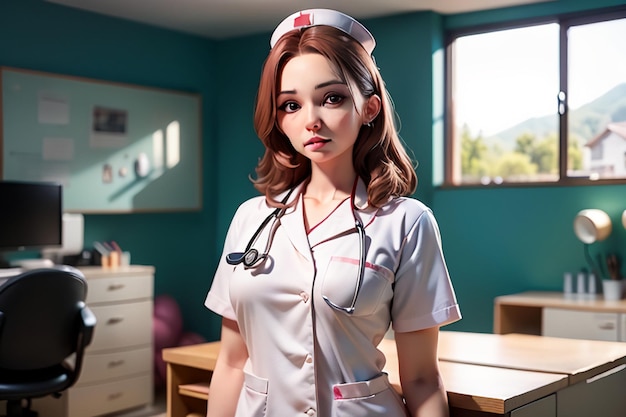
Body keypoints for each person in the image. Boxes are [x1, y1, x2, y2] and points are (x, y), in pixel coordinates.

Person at [204, 8, 461, 417]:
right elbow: (232, 362)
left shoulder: (406, 222)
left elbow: (421, 379)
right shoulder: (250, 219)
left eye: (332, 98)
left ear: (370, 108)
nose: (311, 120)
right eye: (290, 105)